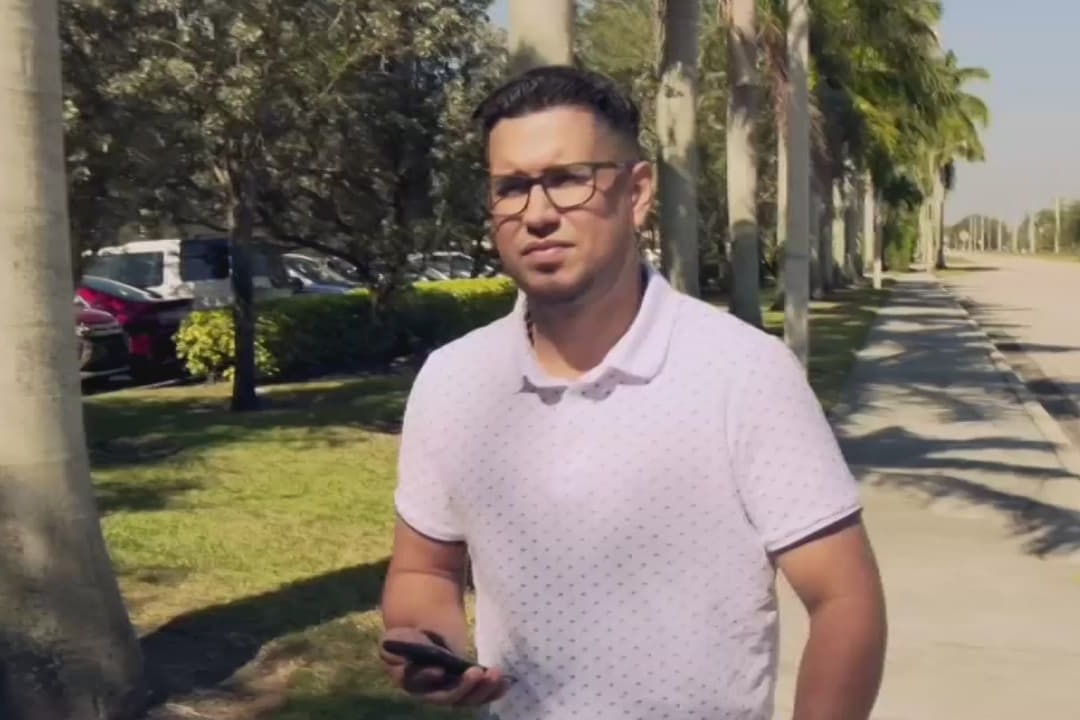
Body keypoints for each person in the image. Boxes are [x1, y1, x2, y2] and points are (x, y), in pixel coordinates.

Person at [378, 65, 887, 720]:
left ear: (637, 192)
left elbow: (844, 601)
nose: (538, 214)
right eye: (513, 188)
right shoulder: (454, 381)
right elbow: (424, 571)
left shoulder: (742, 372)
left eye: (568, 179)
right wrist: (430, 646)